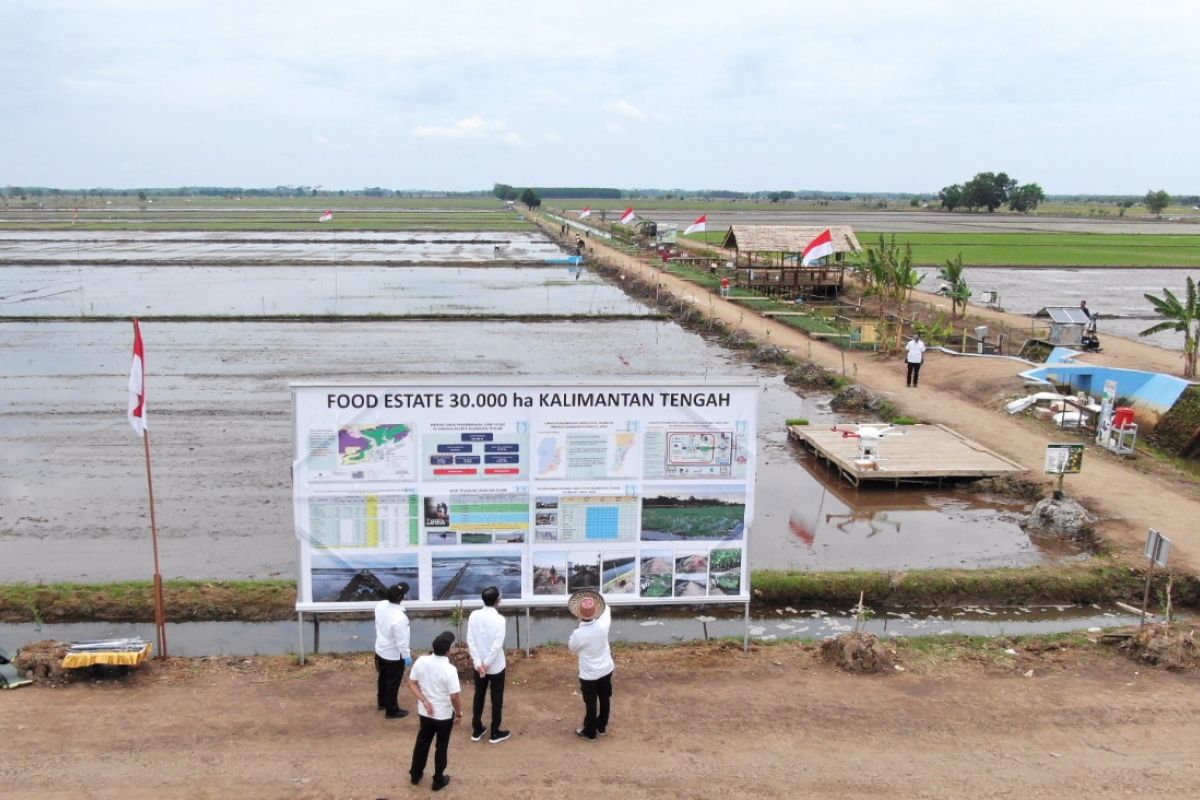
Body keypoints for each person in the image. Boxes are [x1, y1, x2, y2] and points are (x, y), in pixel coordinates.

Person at [408, 632, 462, 791]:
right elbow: (455, 697)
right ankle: (438, 779)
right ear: (448, 651)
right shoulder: (450, 669)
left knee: (422, 743)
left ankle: (415, 774)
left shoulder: (422, 661)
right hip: (443, 715)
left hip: (425, 713)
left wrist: (424, 700)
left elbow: (411, 683)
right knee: (441, 746)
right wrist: (459, 714)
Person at [567, 590, 612, 742]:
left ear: (579, 613)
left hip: (589, 674)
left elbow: (572, 647)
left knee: (591, 702)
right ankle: (601, 726)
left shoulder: (579, 633)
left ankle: (590, 732)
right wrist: (598, 600)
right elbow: (607, 610)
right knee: (605, 698)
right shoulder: (603, 625)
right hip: (606, 669)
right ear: (595, 611)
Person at [467, 586, 510, 744]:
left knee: (479, 695)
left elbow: (470, 640)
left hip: (478, 666)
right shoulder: (500, 619)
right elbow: (497, 646)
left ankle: (477, 729)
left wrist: (478, 663)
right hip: (496, 666)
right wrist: (486, 664)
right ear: (497, 600)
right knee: (496, 697)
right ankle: (495, 731)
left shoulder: (474, 615)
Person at [374, 582, 411, 719]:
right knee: (393, 682)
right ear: (401, 597)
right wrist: (406, 655)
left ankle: (382, 702)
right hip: (393, 654)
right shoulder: (400, 617)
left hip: (380, 649)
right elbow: (401, 640)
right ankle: (392, 710)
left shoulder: (381, 605)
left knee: (382, 678)